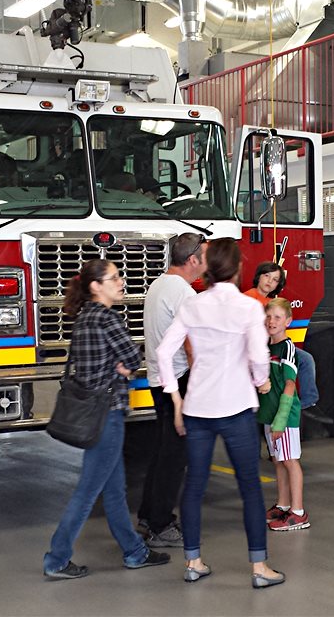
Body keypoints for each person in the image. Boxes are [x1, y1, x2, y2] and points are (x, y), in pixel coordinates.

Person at [157, 237, 285, 588]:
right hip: (237, 407)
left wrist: (176, 399)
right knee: (249, 488)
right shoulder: (247, 308)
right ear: (238, 269)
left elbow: (164, 352)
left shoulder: (193, 305)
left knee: (194, 486)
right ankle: (259, 568)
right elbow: (259, 358)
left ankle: (193, 561)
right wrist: (261, 382)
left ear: (207, 267)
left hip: (198, 406)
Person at [43, 260, 170, 580]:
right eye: (113, 278)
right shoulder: (109, 319)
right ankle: (57, 558)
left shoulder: (84, 317)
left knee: (114, 490)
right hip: (108, 414)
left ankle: (134, 552)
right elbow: (132, 357)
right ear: (96, 286)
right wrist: (123, 365)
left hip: (94, 413)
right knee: (88, 491)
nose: (121, 281)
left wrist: (120, 365)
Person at [137, 233, 207, 549]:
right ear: (193, 259)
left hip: (159, 378)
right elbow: (191, 343)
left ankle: (148, 516)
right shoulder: (183, 293)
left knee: (162, 450)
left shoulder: (158, 285)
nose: (207, 263)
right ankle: (161, 524)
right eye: (204, 256)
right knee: (175, 455)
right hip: (179, 380)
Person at [261, 298, 308, 531]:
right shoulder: (266, 347)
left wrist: (280, 421)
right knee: (278, 460)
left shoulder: (288, 348)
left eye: (278, 317)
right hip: (269, 415)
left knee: (290, 461)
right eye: (269, 316)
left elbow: (290, 385)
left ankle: (298, 512)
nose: (272, 321)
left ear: (288, 321)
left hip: (284, 418)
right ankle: (283, 504)